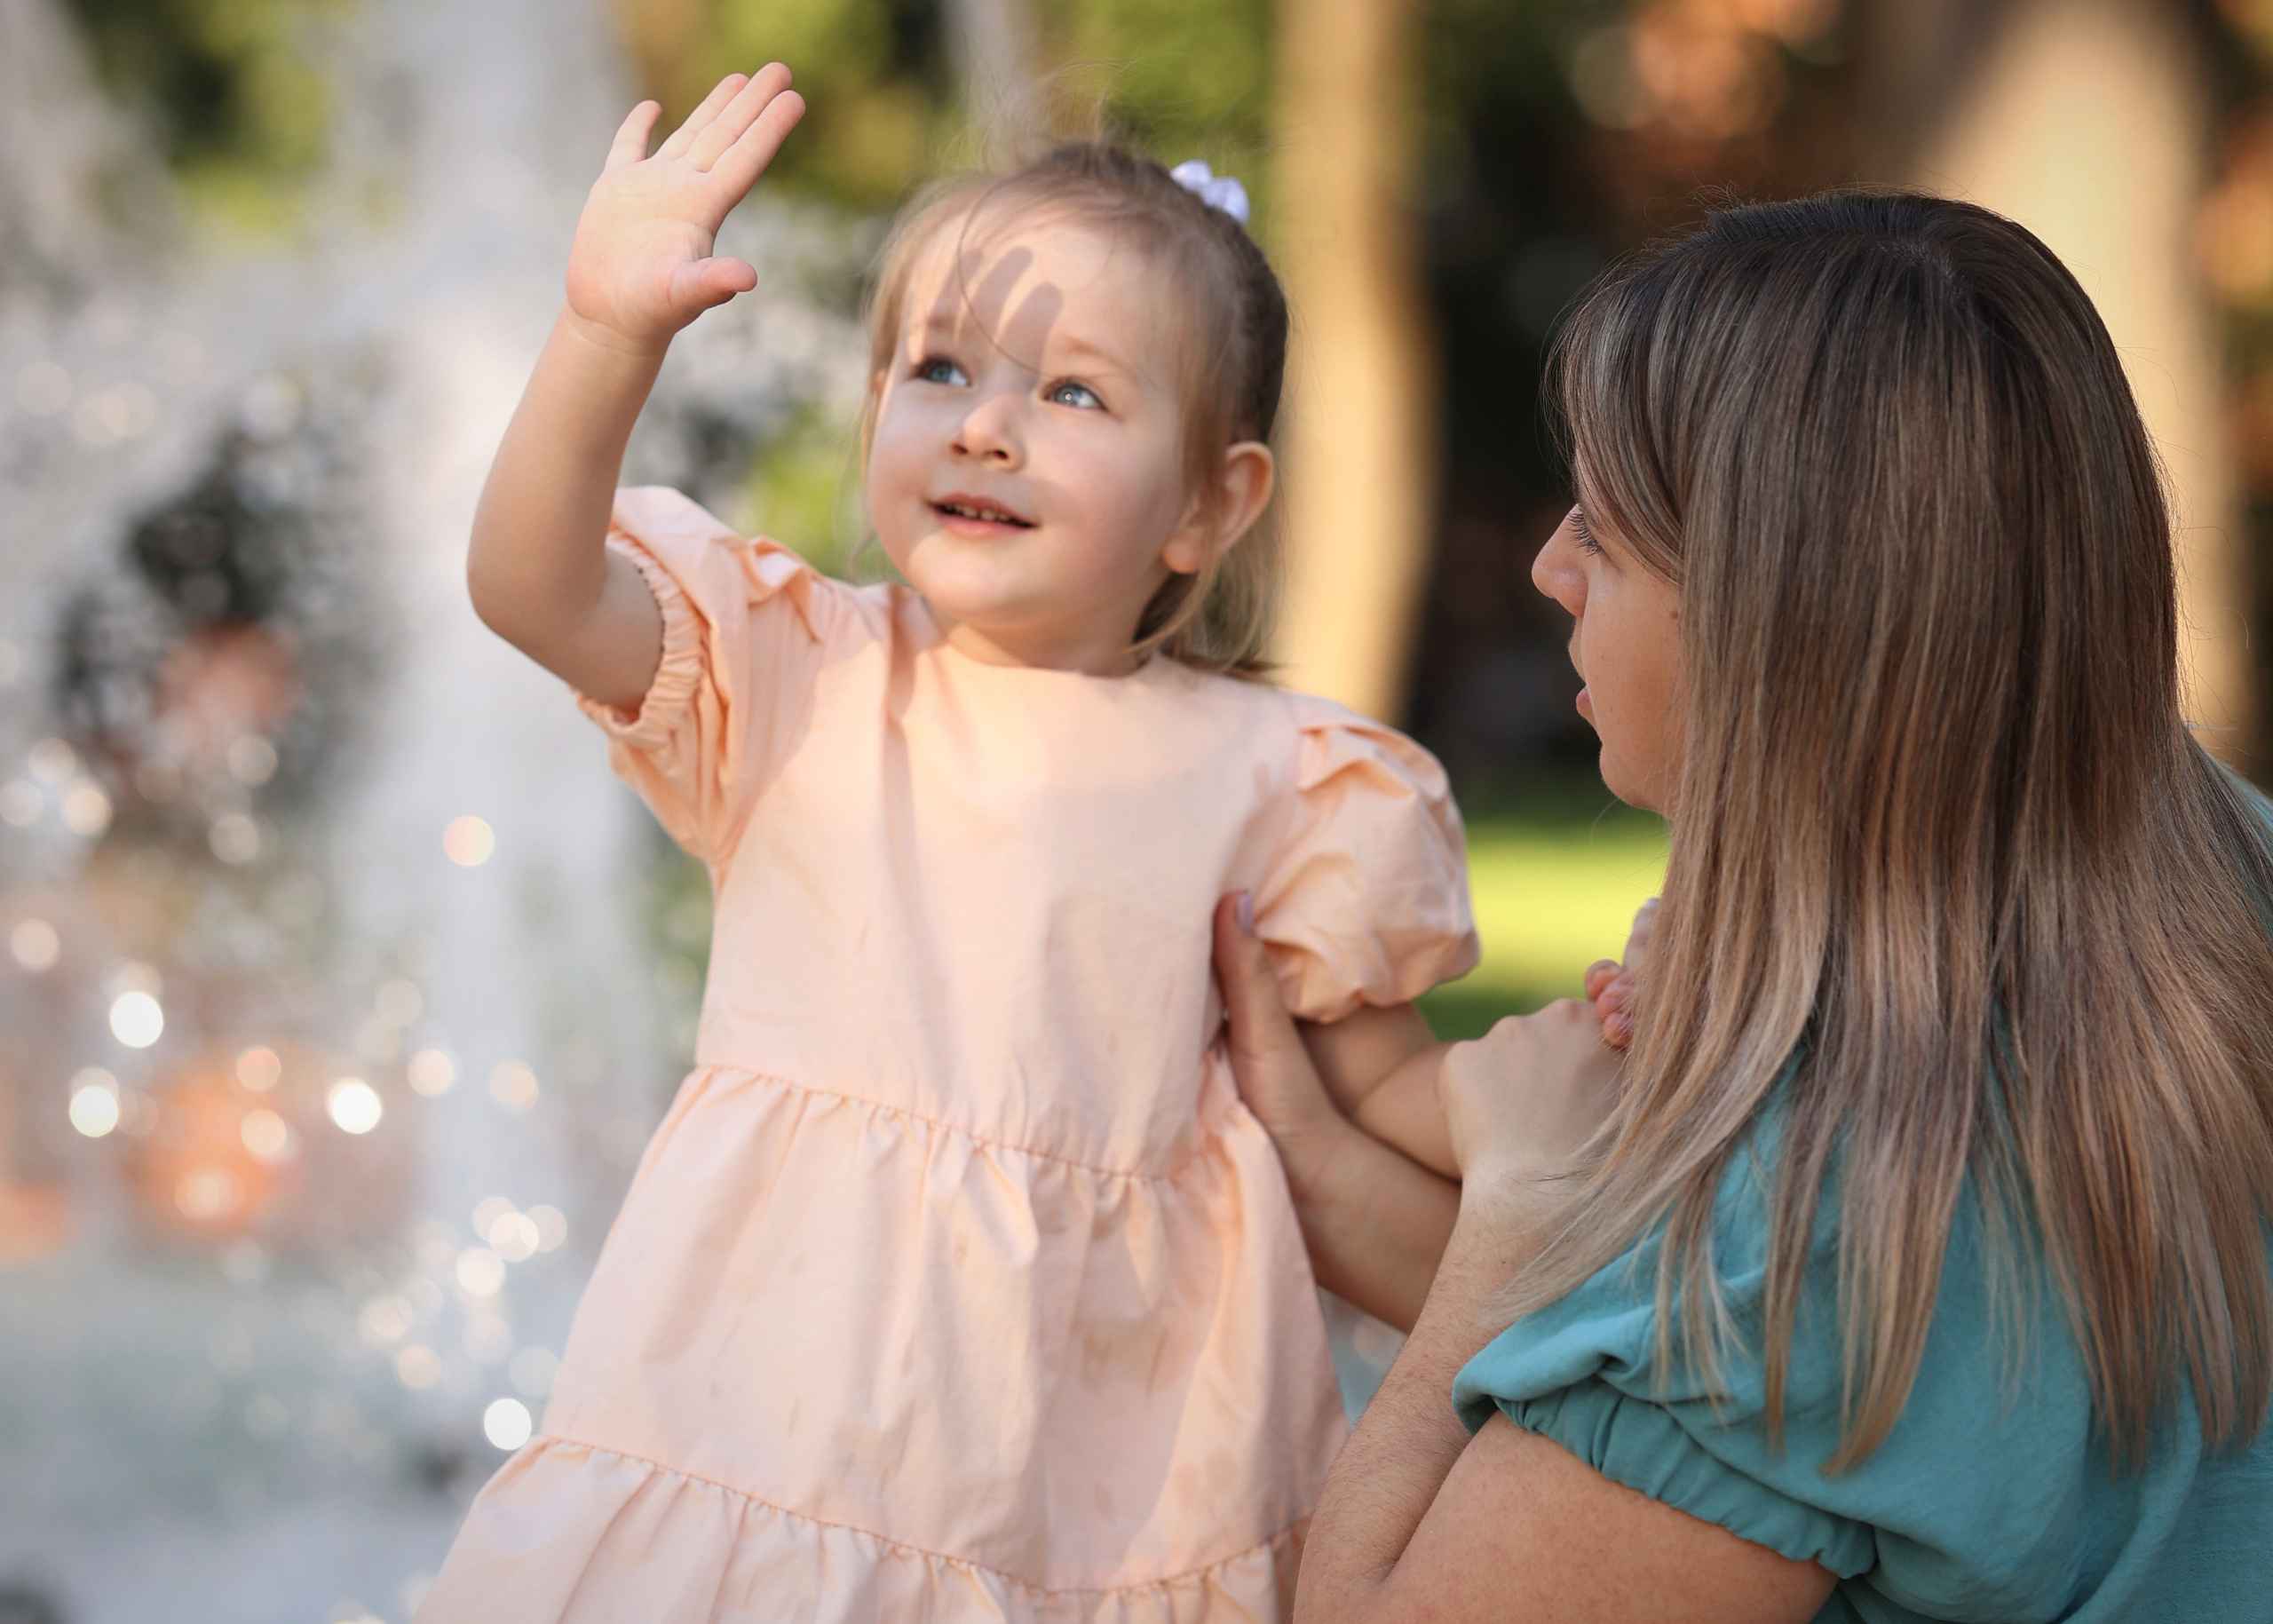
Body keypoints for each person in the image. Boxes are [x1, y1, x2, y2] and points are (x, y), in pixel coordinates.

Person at [420, 65, 1484, 1621]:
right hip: (766, 1427)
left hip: (1100, 1479)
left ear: (1209, 500)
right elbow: (529, 585)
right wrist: (604, 334)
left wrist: (1579, 1120)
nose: (986, 425)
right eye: (937, 370)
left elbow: (1382, 1080)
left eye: (1072, 395)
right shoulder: (803, 679)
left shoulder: (1286, 781)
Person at [1210, 193, 2273, 1622]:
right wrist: (1333, 1175)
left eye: (1604, 531)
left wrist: (1514, 1212)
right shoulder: (2230, 886)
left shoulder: (1814, 1216)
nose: (1548, 569)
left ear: (1771, 615)